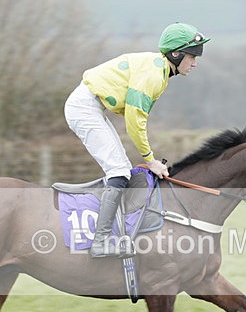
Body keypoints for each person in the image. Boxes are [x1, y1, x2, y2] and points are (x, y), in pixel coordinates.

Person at [64, 22, 209, 257]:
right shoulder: (154, 74)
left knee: (120, 169)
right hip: (84, 107)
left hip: (90, 106)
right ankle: (100, 241)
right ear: (176, 53)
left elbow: (134, 117)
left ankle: (114, 231)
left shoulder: (159, 70)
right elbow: (135, 120)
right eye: (192, 56)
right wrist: (150, 159)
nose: (195, 63)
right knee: (118, 171)